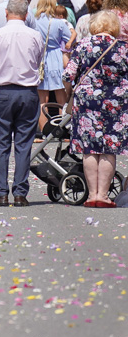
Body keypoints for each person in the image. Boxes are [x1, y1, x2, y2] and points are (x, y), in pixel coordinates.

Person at [0, 0, 44, 207]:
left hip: (3, 91)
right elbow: (38, 60)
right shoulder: (35, 35)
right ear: (26, 15)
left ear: (6, 13)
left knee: (1, 144)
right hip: (27, 92)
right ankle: (20, 192)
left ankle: (1, 193)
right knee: (24, 144)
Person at [63, 11, 128, 208]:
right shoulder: (123, 48)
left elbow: (68, 75)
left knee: (89, 148)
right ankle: (103, 196)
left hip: (87, 102)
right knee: (109, 148)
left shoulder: (83, 45)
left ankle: (92, 195)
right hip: (115, 103)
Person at [35, 0, 74, 133]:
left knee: (42, 99)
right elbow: (70, 39)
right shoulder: (58, 23)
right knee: (60, 97)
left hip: (40, 60)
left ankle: (44, 131)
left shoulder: (34, 22)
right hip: (56, 58)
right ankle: (61, 129)